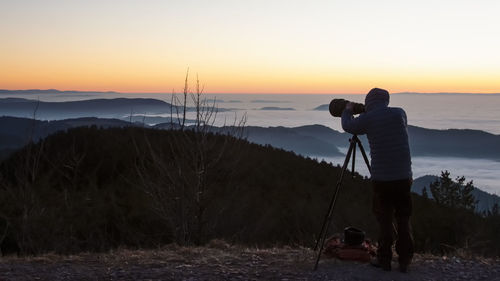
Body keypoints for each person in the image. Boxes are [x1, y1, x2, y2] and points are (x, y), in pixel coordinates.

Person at [341, 88, 414, 273]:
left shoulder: (369, 119)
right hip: (404, 176)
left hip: (383, 179)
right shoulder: (400, 113)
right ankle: (405, 260)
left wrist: (348, 109)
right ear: (386, 100)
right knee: (404, 218)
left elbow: (348, 126)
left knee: (385, 219)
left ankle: (384, 260)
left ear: (369, 102)